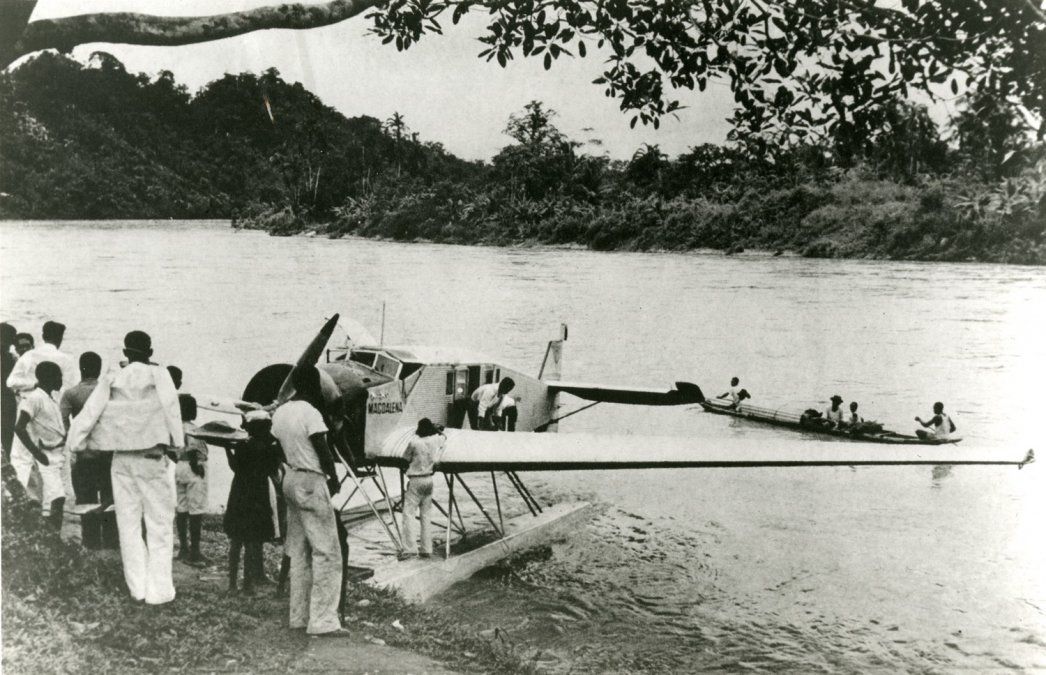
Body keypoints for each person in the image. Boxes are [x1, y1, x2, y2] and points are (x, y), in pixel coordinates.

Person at [66, 330, 183, 605]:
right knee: (159, 525)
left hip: (120, 460)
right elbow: (171, 408)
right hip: (151, 458)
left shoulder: (111, 377)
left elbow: (91, 411)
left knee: (127, 525)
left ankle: (138, 589)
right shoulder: (160, 375)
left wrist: (76, 443)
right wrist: (177, 443)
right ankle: (160, 592)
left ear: (125, 353)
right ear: (150, 352)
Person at [270, 364, 347, 637]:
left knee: (299, 551)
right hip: (311, 481)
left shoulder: (280, 412)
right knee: (327, 552)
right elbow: (322, 448)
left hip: (290, 478)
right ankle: (323, 621)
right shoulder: (311, 413)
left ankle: (299, 616)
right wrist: (333, 476)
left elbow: (276, 446)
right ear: (315, 386)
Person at [221, 410, 282, 594]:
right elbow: (273, 469)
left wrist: (226, 449)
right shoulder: (270, 447)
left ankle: (232, 584)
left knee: (236, 540)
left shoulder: (243, 445)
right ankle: (247, 585)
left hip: (239, 492)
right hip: (258, 493)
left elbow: (235, 467)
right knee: (251, 542)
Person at [12, 361, 66, 529]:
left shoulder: (49, 398)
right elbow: (19, 427)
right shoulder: (35, 398)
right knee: (55, 499)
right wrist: (37, 453)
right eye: (58, 376)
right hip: (44, 457)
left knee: (55, 499)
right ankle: (51, 539)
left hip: (55, 456)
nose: (61, 380)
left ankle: (52, 539)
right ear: (48, 378)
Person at [60, 352, 111, 506]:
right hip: (107, 452)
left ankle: (90, 530)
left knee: (85, 503)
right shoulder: (109, 391)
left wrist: (73, 438)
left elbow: (62, 422)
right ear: (100, 369)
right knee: (110, 503)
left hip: (84, 454)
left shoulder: (71, 394)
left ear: (80, 368)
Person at [399, 418, 445, 560]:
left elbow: (404, 458)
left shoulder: (414, 443)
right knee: (426, 515)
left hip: (416, 479)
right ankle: (427, 548)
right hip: (429, 480)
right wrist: (436, 429)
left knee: (408, 514)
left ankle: (410, 549)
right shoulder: (435, 440)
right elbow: (443, 436)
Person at [174, 394, 210, 565]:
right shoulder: (193, 429)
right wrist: (196, 465)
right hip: (194, 467)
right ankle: (195, 552)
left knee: (181, 508)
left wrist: (180, 460)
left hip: (179, 466)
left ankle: (183, 548)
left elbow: (170, 450)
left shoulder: (174, 428)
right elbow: (194, 449)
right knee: (196, 510)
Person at [7, 321, 79, 395]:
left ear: (43, 336)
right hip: (55, 403)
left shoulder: (28, 355)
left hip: (30, 399)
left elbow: (11, 382)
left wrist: (34, 385)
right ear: (60, 338)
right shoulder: (66, 359)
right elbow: (70, 386)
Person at [1, 322, 19, 463]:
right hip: (7, 402)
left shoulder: (10, 358)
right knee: (8, 440)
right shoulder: (11, 359)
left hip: (6, 401)